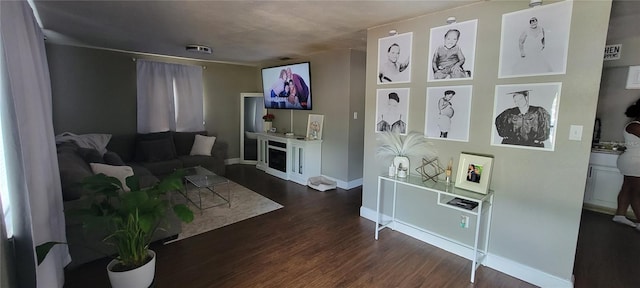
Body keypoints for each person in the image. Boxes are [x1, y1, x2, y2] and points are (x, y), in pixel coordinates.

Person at [613, 100, 640, 230]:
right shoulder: (635, 126)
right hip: (634, 162)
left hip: (633, 161)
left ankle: (620, 215)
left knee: (628, 188)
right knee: (637, 193)